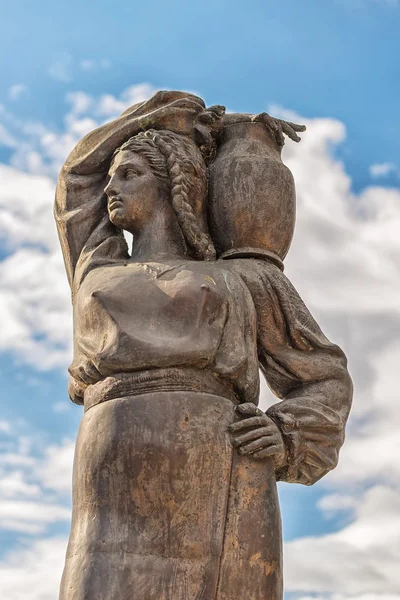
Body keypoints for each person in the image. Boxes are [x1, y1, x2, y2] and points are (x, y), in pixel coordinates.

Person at [55, 91, 352, 600]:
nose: (111, 187)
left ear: (175, 184)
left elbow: (324, 377)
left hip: (220, 467)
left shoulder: (242, 279)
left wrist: (286, 433)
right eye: (114, 176)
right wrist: (158, 115)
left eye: (130, 174)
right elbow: (76, 179)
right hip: (109, 476)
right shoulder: (97, 267)